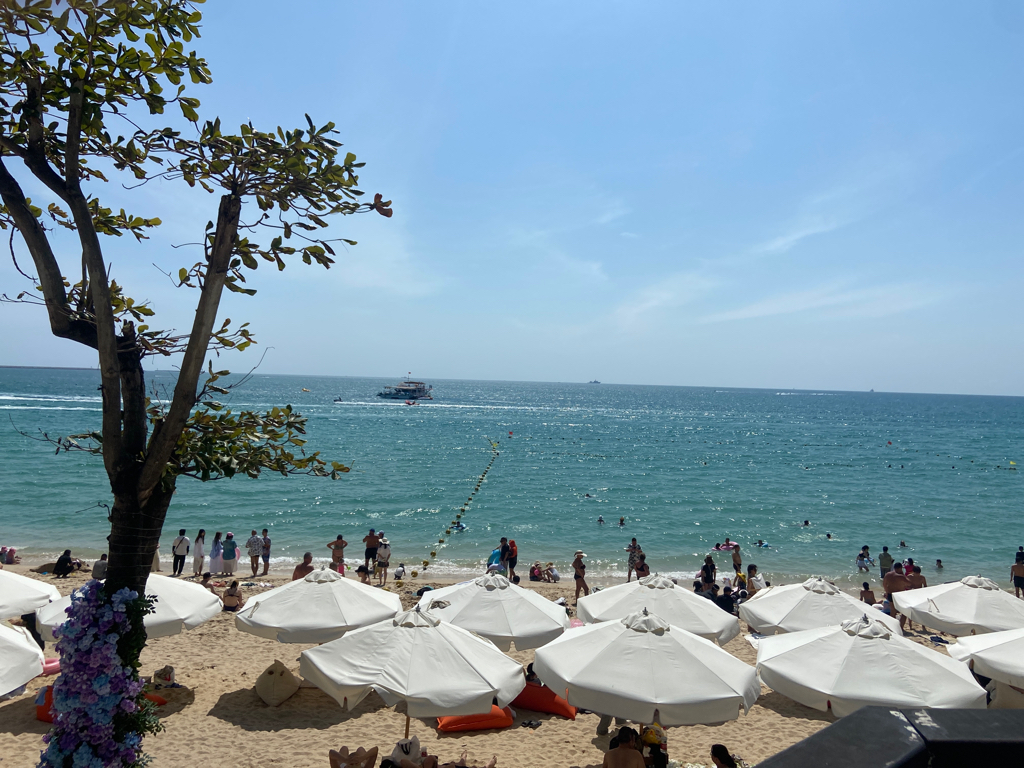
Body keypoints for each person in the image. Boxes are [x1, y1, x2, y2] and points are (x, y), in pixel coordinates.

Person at [882, 563, 913, 630]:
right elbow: (909, 584)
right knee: (904, 612)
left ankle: (892, 627)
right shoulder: (901, 576)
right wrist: (903, 575)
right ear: (900, 568)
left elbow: (884, 584)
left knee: (893, 612)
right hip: (899, 596)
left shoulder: (888, 574)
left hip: (890, 594)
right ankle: (901, 628)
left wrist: (887, 592)